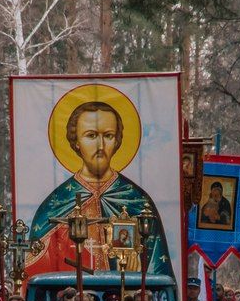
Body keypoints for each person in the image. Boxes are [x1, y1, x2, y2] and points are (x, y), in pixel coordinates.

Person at [27, 100, 170, 275]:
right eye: (91, 136)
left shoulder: (137, 201)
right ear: (76, 141)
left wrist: (135, 276)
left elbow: (158, 273)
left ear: (117, 141)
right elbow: (36, 274)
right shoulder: (56, 203)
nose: (100, 146)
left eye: (108, 135)